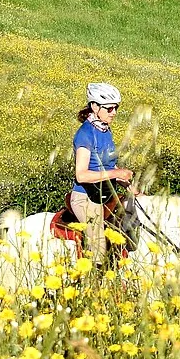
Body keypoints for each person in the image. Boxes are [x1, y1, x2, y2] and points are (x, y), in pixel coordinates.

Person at [68, 83, 137, 250]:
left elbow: (108, 166)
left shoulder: (105, 131)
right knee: (99, 247)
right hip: (85, 199)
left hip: (106, 196)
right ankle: (93, 274)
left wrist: (130, 187)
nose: (114, 113)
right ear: (94, 106)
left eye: (116, 108)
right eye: (109, 108)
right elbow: (82, 175)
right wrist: (116, 172)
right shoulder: (85, 134)